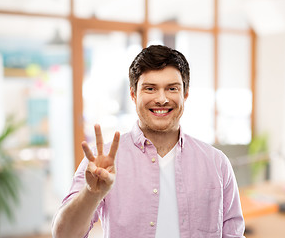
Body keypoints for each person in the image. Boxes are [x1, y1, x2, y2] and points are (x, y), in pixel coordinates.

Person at [52, 45, 245, 238]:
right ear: (133, 95)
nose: (161, 99)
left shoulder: (217, 163)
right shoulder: (102, 164)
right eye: (150, 88)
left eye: (172, 88)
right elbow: (63, 235)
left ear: (185, 94)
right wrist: (91, 194)